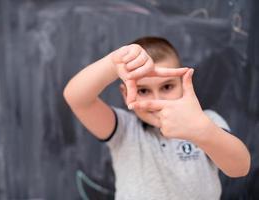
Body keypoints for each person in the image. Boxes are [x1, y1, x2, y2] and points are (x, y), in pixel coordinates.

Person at [63, 36, 250, 199]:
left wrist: (203, 132)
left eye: (167, 87)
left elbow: (240, 168)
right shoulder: (124, 130)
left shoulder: (206, 121)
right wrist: (112, 64)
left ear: (183, 83)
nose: (157, 100)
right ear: (125, 93)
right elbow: (77, 98)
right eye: (143, 90)